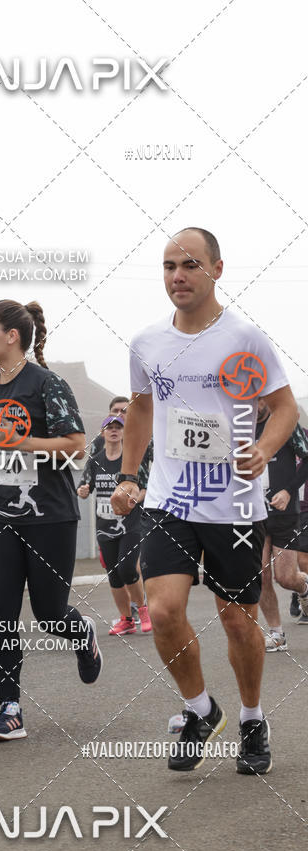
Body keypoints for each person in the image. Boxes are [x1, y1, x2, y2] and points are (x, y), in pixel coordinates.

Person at [112, 227, 297, 775]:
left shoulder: (245, 339)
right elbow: (141, 411)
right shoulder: (147, 342)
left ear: (217, 269)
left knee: (238, 623)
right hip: (171, 498)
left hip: (235, 505)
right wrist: (128, 476)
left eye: (190, 264)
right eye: (169, 266)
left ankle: (252, 718)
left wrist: (264, 449)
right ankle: (199, 709)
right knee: (164, 611)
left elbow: (283, 408)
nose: (178, 276)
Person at [0, 299, 101, 742]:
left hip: (49, 515)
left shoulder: (47, 384)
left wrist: (25, 441)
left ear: (11, 336)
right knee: (1, 615)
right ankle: (10, 708)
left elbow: (76, 445)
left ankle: (81, 632)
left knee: (49, 613)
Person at [77, 414, 152, 635]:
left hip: (129, 523)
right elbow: (85, 487)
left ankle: (144, 611)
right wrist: (82, 491)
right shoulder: (95, 460)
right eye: (109, 427)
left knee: (127, 568)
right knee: (114, 574)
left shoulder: (131, 460)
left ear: (123, 432)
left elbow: (146, 488)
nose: (114, 430)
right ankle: (126, 620)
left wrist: (134, 499)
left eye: (118, 427)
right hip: (104, 525)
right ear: (102, 433)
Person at [256, 399, 308, 650]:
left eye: (259, 397)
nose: (254, 403)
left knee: (285, 578)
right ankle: (276, 633)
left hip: (283, 511)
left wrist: (288, 491)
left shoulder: (284, 421)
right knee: (261, 574)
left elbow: (307, 458)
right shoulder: (237, 427)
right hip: (253, 511)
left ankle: (304, 586)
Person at [290, 430, 308, 622]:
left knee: (303, 555)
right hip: (291, 507)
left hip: (305, 506)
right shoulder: (284, 435)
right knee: (299, 556)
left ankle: (301, 593)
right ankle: (299, 590)